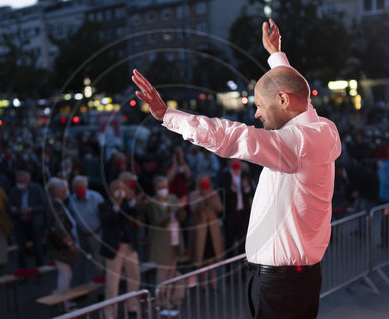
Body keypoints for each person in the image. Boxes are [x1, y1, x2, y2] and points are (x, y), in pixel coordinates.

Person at [132, 18, 341, 319]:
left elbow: (231, 136)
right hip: (300, 277)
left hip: (281, 284)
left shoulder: (294, 144)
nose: (255, 114)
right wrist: (276, 56)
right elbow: (300, 97)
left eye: (258, 104)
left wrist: (167, 115)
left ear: (282, 100)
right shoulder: (324, 129)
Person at [99, 180, 141, 319]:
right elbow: (107, 220)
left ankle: (132, 306)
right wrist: (116, 204)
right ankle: (110, 313)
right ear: (111, 191)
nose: (120, 191)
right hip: (114, 248)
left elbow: (138, 214)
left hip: (129, 246)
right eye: (117, 189)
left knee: (135, 276)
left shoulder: (128, 204)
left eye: (123, 189)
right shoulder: (105, 205)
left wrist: (130, 199)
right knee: (112, 283)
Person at [147, 176, 187, 308]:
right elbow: (157, 221)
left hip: (175, 239)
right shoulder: (153, 202)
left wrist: (181, 208)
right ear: (155, 189)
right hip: (162, 242)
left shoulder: (172, 198)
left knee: (172, 270)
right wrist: (169, 212)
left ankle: (169, 296)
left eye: (164, 187)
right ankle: (160, 298)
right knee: (162, 272)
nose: (163, 190)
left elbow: (182, 217)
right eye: (160, 188)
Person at [46, 177, 78, 310]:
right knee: (65, 274)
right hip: (61, 247)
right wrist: (69, 243)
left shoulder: (57, 204)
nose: (66, 191)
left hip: (60, 245)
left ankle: (65, 301)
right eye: (64, 189)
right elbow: (59, 228)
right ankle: (64, 303)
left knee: (66, 274)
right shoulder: (56, 205)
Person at [189, 173, 225, 289]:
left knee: (213, 257)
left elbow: (219, 208)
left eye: (207, 180)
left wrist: (212, 199)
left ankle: (213, 281)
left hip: (212, 229)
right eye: (202, 181)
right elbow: (193, 209)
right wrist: (204, 199)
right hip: (200, 230)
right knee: (202, 257)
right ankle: (203, 282)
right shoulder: (194, 194)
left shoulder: (214, 193)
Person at [68, 175, 105, 283]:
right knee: (79, 264)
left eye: (82, 186)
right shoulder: (72, 200)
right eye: (77, 186)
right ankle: (80, 288)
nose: (80, 189)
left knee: (98, 263)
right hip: (81, 236)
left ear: (86, 186)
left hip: (96, 234)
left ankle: (101, 290)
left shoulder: (96, 197)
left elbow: (103, 215)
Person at [8, 170, 47, 268]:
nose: (20, 184)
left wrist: (31, 209)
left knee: (37, 248)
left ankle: (40, 271)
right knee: (21, 249)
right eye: (18, 182)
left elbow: (44, 204)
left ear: (28, 181)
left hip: (34, 223)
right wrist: (18, 211)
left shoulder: (36, 189)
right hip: (21, 223)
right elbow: (9, 207)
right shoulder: (13, 191)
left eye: (22, 182)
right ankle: (23, 272)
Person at [217, 158, 255, 257]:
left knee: (242, 242)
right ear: (229, 163)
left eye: (237, 161)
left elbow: (252, 192)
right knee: (230, 242)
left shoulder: (245, 175)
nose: (235, 163)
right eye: (233, 161)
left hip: (243, 214)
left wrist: (246, 187)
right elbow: (222, 194)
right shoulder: (224, 176)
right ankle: (229, 267)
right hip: (230, 214)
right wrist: (233, 188)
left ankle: (242, 270)